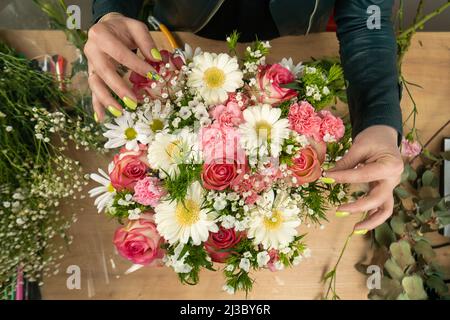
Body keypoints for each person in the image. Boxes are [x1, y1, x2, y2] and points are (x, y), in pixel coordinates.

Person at [84, 0, 404, 234]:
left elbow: (367, 20)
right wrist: (112, 12)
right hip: (183, 26)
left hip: (294, 29)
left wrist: (380, 121)